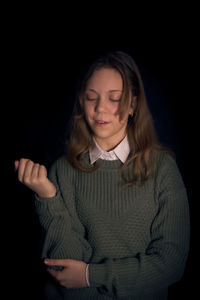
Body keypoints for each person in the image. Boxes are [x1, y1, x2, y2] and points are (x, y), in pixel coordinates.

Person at [15, 51, 190, 299]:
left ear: (132, 105)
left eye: (114, 98)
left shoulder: (162, 169)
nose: (100, 109)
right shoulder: (62, 171)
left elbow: (171, 264)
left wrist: (90, 275)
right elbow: (63, 270)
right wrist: (48, 196)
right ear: (81, 103)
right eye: (91, 97)